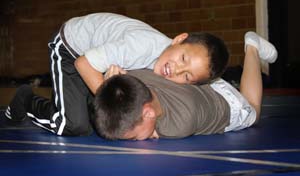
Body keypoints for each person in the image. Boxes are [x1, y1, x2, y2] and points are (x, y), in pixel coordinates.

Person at [5, 12, 229, 136]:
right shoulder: (141, 46)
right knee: (72, 124)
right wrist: (106, 93)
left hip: (98, 61)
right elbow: (83, 64)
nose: (177, 70)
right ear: (179, 39)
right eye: (183, 59)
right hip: (71, 49)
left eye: (187, 77)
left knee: (100, 117)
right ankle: (26, 100)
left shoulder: (163, 64)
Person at [93, 32, 278, 140]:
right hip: (194, 78)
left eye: (133, 138)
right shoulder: (136, 78)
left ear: (149, 113)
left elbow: (150, 130)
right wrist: (113, 84)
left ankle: (252, 47)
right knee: (185, 72)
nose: (135, 140)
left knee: (253, 109)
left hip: (227, 104)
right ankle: (193, 75)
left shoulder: (179, 124)